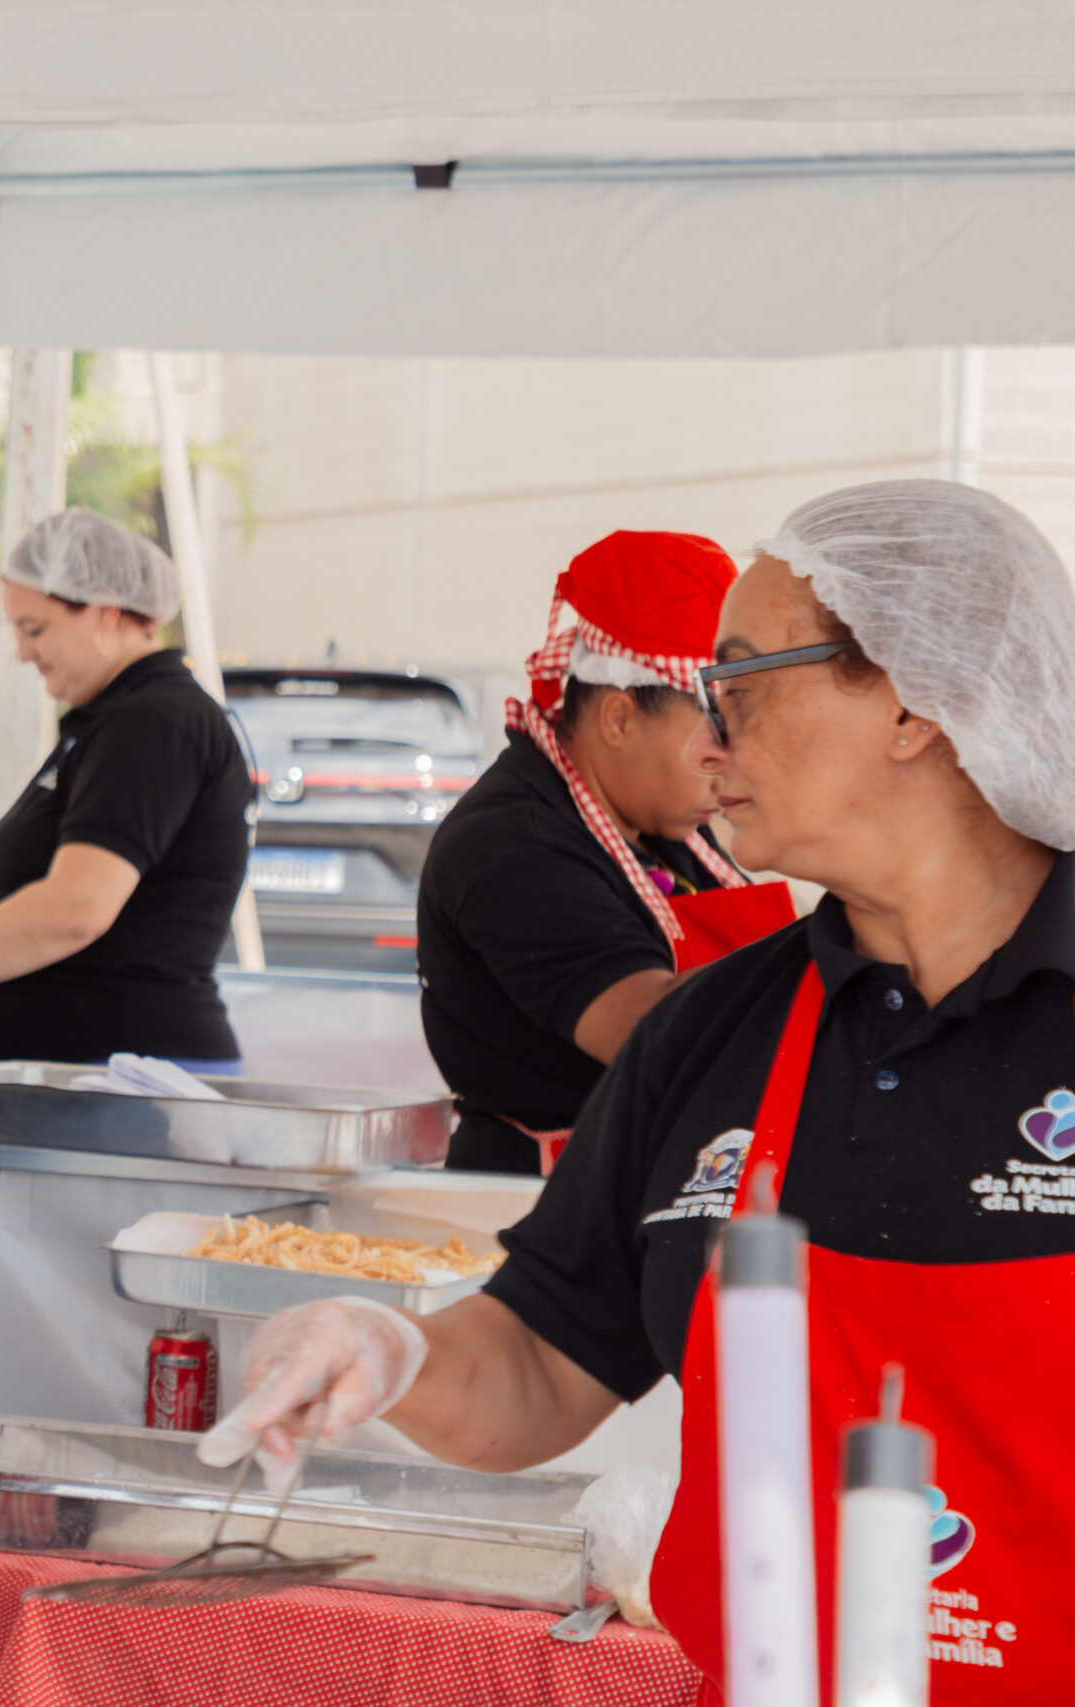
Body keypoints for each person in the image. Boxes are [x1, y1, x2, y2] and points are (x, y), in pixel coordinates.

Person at [200, 480, 1075, 1700]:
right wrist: (390, 1353)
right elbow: (547, 1360)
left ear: (913, 701)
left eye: (744, 687)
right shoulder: (714, 1035)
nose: (713, 738)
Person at [417, 532, 794, 1175]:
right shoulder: (515, 844)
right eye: (715, 728)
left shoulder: (667, 827)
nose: (729, 760)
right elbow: (653, 1026)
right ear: (619, 719)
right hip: (551, 1210)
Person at [0, 509, 254, 1070]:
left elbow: (73, 910)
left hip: (128, 1077)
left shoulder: (154, 721)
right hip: (90, 1072)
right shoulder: (111, 721)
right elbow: (11, 910)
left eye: (34, 629)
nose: (23, 653)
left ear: (105, 610)